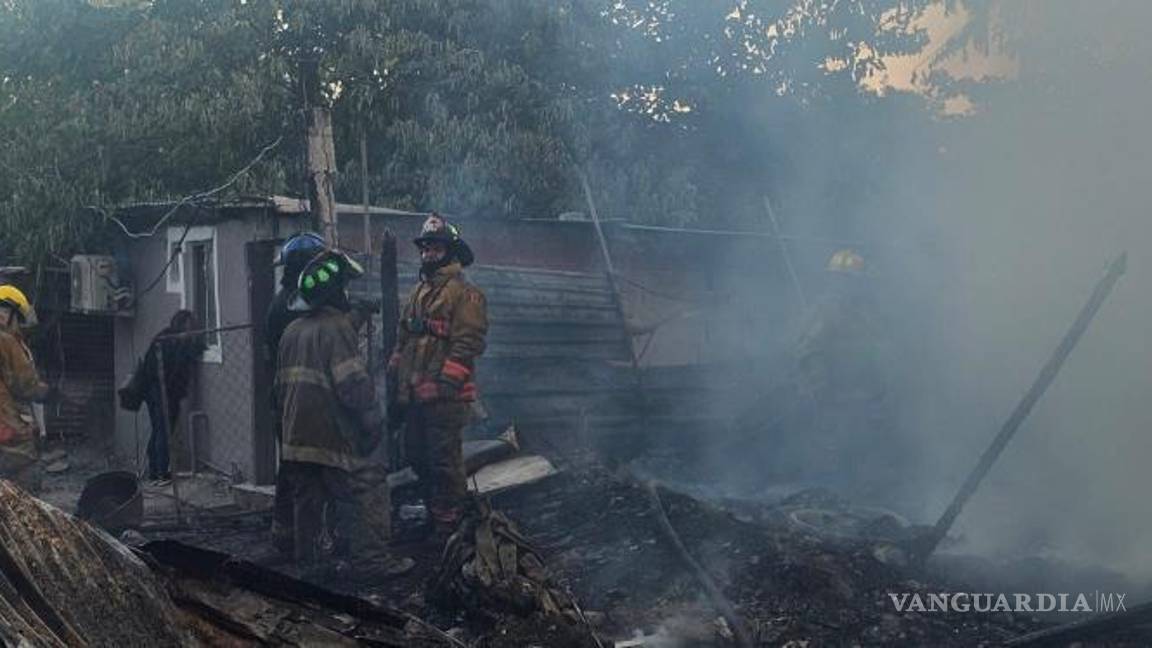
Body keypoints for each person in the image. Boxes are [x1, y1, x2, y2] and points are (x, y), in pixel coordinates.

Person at [276, 249, 406, 571]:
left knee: (307, 504)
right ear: (336, 291)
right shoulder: (336, 328)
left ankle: (309, 569)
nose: (348, 293)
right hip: (330, 435)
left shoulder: (292, 331)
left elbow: (282, 388)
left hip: (295, 438)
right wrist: (373, 422)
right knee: (367, 485)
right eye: (345, 286)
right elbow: (352, 386)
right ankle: (373, 561)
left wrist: (357, 317)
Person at [388, 214, 488, 539]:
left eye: (435, 248)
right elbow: (405, 335)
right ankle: (437, 512)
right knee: (415, 454)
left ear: (450, 251)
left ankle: (450, 526)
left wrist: (445, 385)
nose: (427, 253)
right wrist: (395, 371)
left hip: (446, 399)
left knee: (444, 462)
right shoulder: (419, 291)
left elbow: (467, 343)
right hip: (416, 395)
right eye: (425, 248)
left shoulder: (465, 293)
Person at [265, 231, 326, 552]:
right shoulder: (297, 306)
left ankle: (284, 532)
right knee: (304, 471)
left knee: (291, 465)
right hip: (301, 402)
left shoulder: (282, 301)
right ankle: (306, 545)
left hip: (284, 401)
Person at [140, 310, 204, 485]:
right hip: (160, 390)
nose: (192, 328)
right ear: (182, 324)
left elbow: (195, 352)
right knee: (163, 430)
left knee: (160, 429)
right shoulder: (169, 339)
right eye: (190, 325)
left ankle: (155, 472)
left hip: (164, 391)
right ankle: (160, 472)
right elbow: (167, 365)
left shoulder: (173, 338)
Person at [0, 285, 54, 493]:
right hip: (8, 428)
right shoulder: (6, 340)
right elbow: (25, 384)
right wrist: (49, 393)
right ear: (11, 315)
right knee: (23, 487)